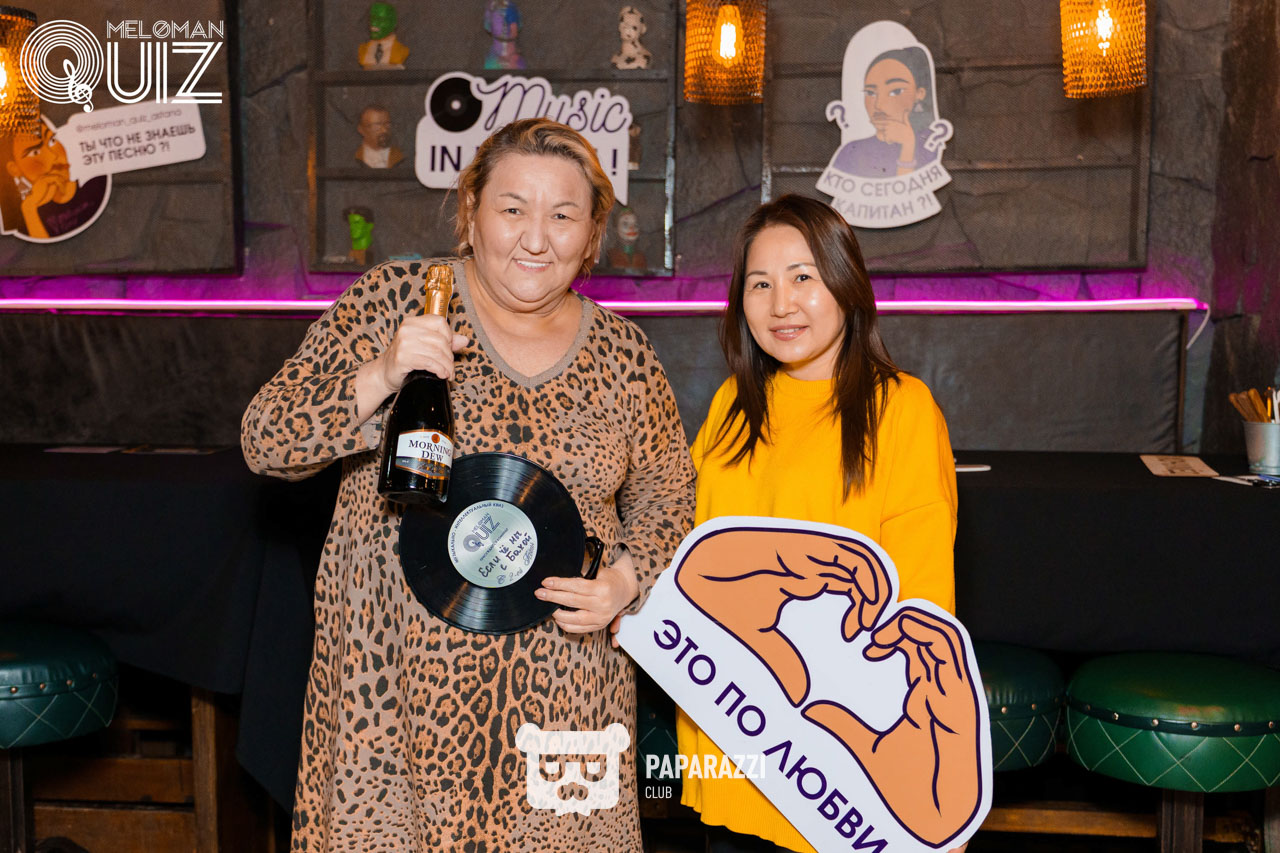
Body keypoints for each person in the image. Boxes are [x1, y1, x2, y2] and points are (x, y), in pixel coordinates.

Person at [242, 117, 695, 851]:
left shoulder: (623, 354)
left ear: (593, 234)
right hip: (391, 701)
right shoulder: (396, 300)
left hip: (565, 700)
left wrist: (625, 581)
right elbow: (267, 440)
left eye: (563, 215)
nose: (536, 238)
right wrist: (382, 373)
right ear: (471, 211)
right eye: (513, 208)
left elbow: (669, 494)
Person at [675, 194, 962, 853]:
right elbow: (687, 548)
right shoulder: (732, 403)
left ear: (845, 282)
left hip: (836, 755)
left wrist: (931, 767)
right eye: (760, 284)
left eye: (802, 276)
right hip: (731, 727)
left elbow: (924, 604)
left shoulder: (903, 409)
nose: (781, 304)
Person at [831, 47, 941, 179]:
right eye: (870, 93)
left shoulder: (932, 144)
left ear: (919, 94)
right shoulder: (851, 152)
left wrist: (908, 147)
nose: (878, 105)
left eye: (896, 91)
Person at [1, 119, 108, 240]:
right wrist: (29, 210)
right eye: (35, 152)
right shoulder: (20, 220)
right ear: (14, 169)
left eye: (52, 141)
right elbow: (41, 251)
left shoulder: (97, 180)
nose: (54, 155)